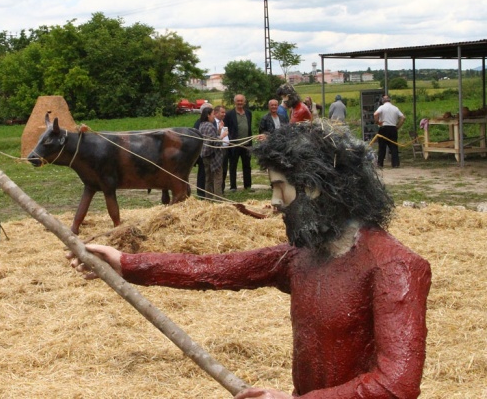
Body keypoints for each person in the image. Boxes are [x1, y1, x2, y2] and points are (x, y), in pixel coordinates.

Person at [68, 122, 431, 398]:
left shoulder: (394, 267)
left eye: (278, 187)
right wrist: (127, 263)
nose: (273, 202)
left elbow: (395, 384)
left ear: (312, 186)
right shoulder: (302, 256)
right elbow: (213, 269)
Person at [224, 94, 252, 192]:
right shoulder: (229, 114)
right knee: (233, 165)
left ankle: (248, 186)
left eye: (241, 101)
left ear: (244, 102)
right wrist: (229, 141)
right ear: (234, 102)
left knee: (247, 165)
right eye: (238, 101)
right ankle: (233, 187)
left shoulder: (248, 113)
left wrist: (250, 143)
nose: (240, 103)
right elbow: (225, 128)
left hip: (246, 144)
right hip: (234, 145)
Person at [197, 106, 225, 198]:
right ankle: (218, 198)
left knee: (208, 178)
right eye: (213, 114)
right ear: (208, 115)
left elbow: (210, 136)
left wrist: (219, 130)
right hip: (213, 156)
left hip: (204, 155)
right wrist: (222, 135)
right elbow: (213, 141)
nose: (214, 116)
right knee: (218, 178)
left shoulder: (202, 125)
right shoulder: (210, 126)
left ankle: (208, 198)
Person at [373, 95, 406, 168]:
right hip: (393, 128)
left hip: (383, 128)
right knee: (394, 147)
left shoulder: (381, 107)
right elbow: (403, 118)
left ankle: (380, 164)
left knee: (382, 147)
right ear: (389, 100)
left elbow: (375, 114)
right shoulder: (395, 108)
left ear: (383, 101)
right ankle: (395, 164)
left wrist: (377, 122)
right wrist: (398, 126)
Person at [192, 103, 214, 199]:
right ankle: (201, 192)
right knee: (203, 173)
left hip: (203, 151)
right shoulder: (200, 123)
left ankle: (205, 192)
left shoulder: (201, 122)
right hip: (203, 152)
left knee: (206, 173)